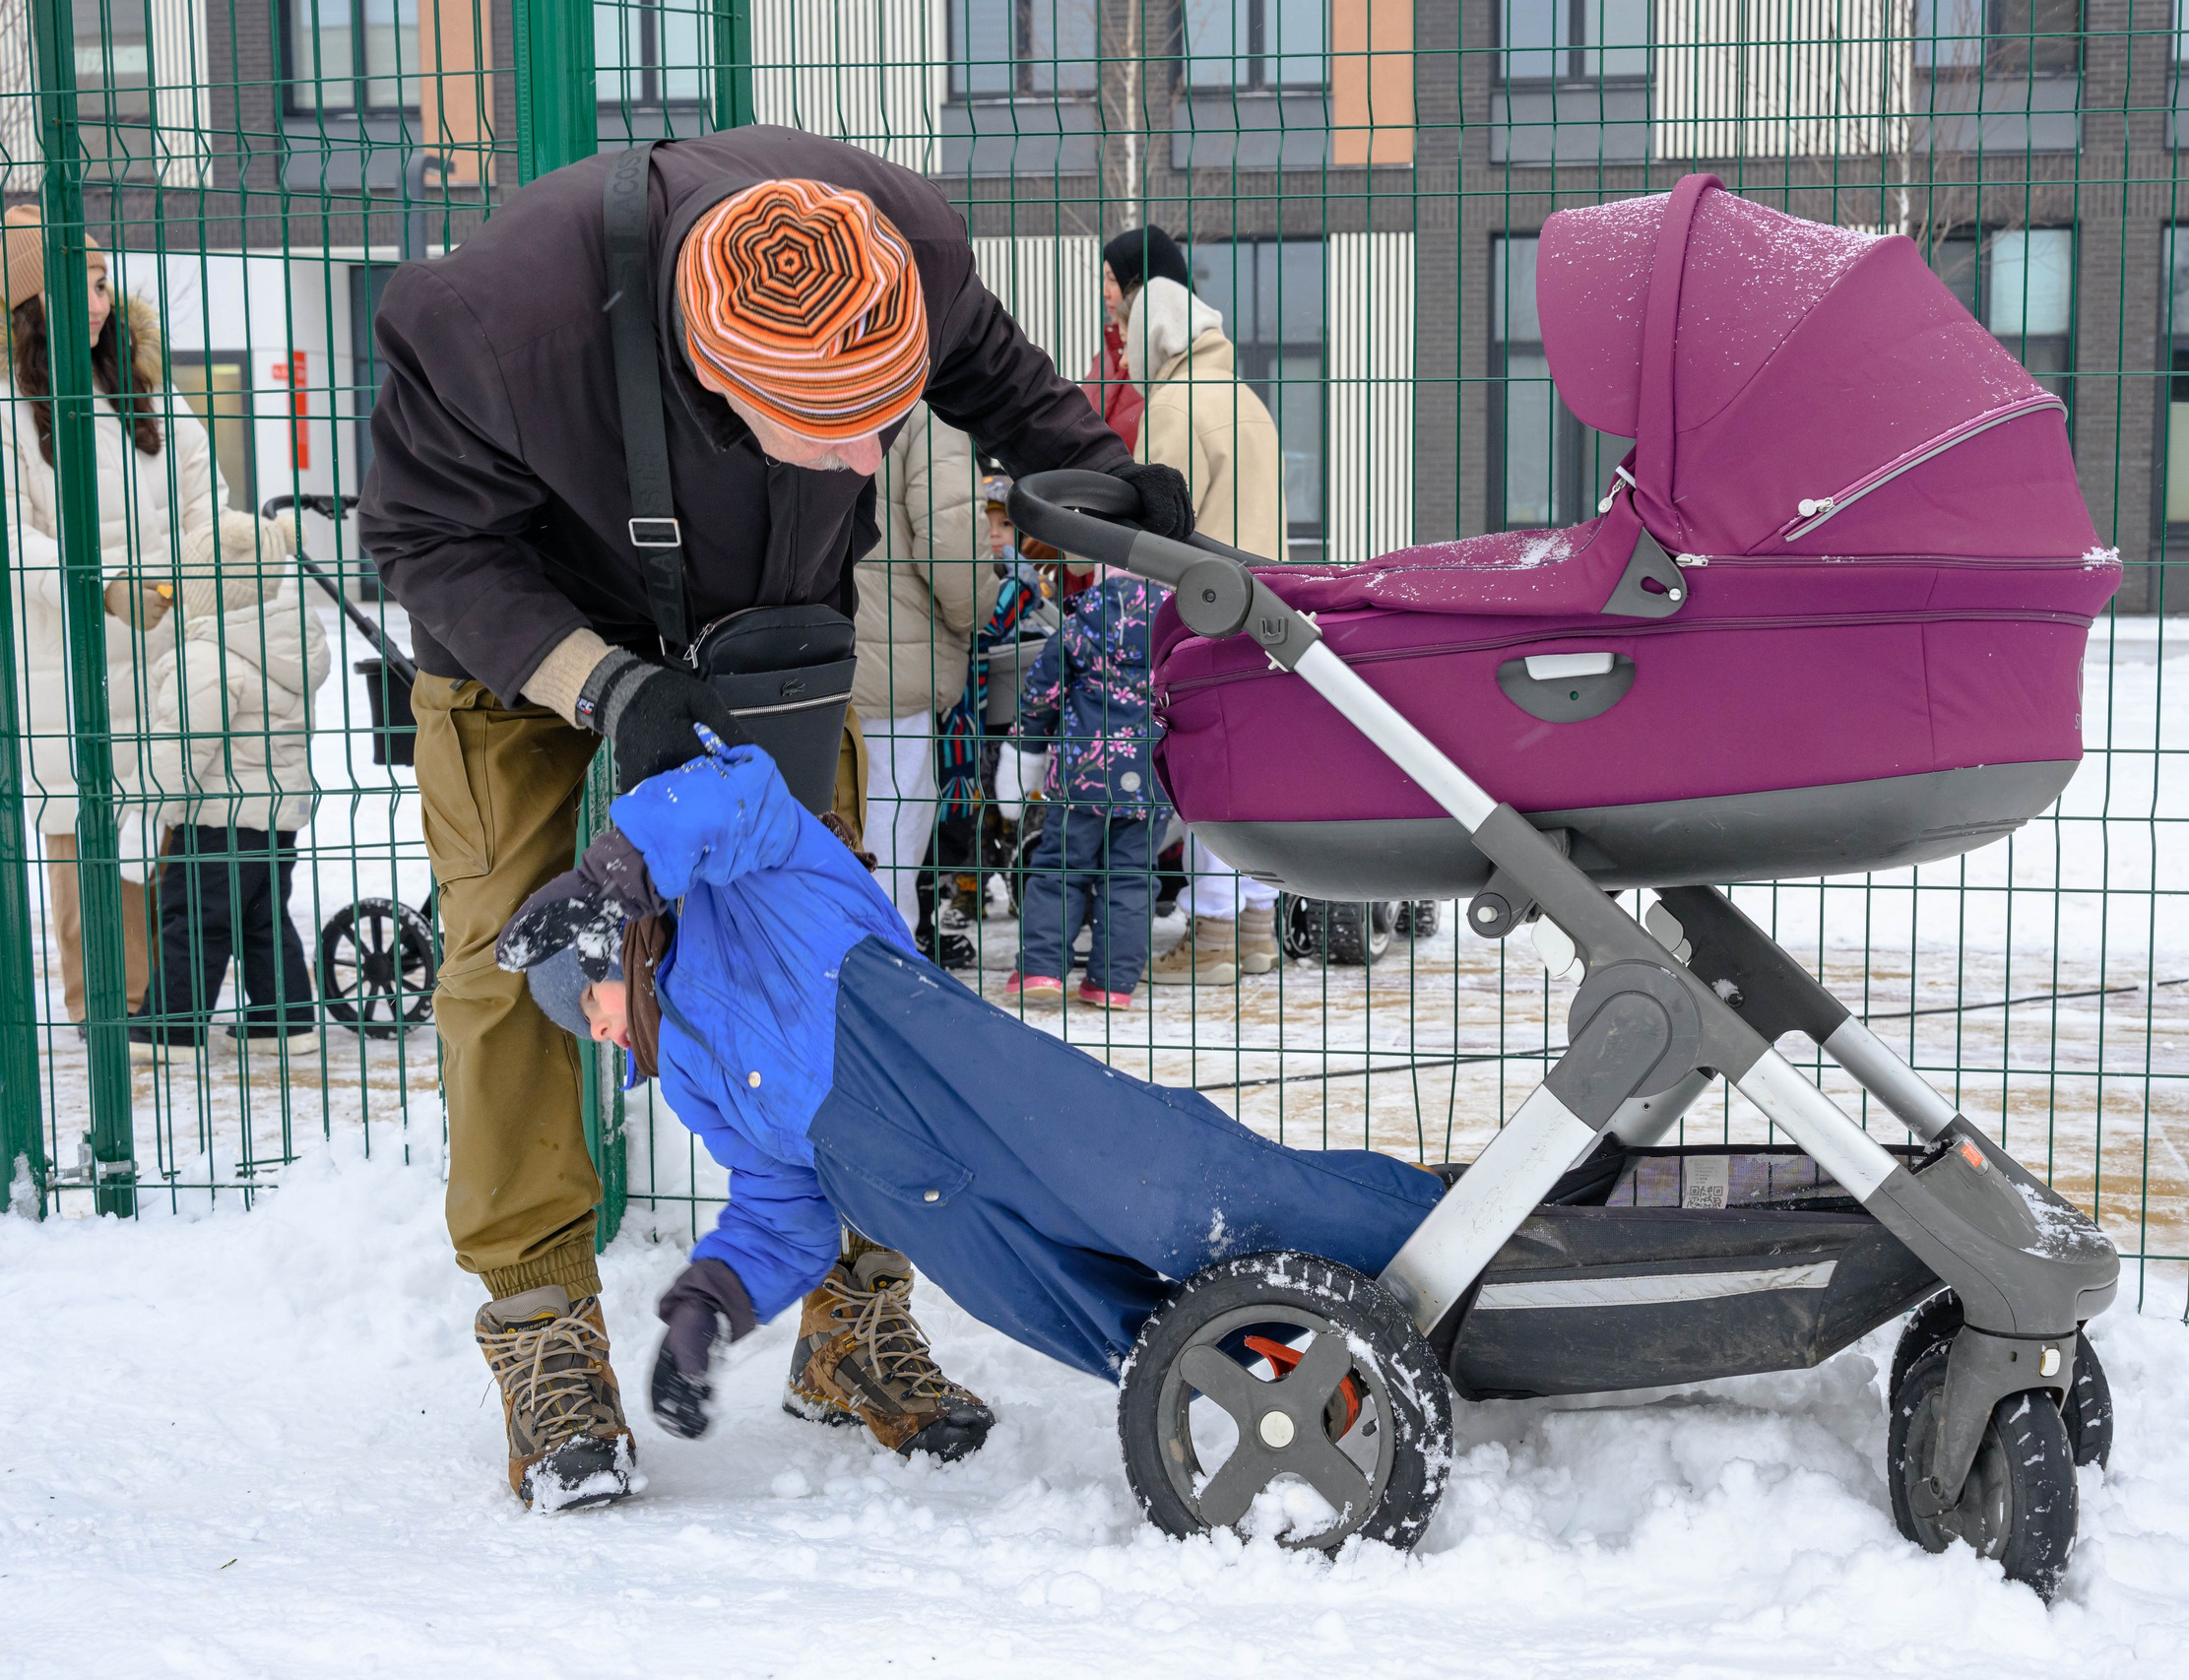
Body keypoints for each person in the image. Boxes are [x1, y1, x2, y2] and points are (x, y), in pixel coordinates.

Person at [358, 126, 1194, 1511]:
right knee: (517, 964)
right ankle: (542, 1330)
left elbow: (983, 368)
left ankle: (853, 1314)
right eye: (835, 430)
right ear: (712, 377)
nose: (872, 462)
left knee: (842, 959)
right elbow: (425, 540)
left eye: (884, 418)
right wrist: (602, 682)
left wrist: (1088, 469)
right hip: (526, 646)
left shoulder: (900, 247)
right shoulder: (492, 322)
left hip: (768, 644)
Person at [494, 734, 1443, 1450]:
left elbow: (741, 789)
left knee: (1177, 1193)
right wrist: (709, 1302)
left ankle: (1442, 1232)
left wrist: (612, 867)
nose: (602, 1031)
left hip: (972, 1091)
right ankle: (1321, 1377)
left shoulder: (756, 889)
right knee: (1113, 1325)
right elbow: (782, 1204)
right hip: (923, 1203)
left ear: (611, 939)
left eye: (590, 1002)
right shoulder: (689, 1072)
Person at [0, 205, 223, 1028]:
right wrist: (100, 587)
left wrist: (198, 578)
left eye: (100, 282)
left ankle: (169, 1008)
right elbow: (11, 541)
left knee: (167, 830)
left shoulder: (146, 396)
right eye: (75, 284)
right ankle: (111, 1019)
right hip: (74, 665)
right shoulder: (5, 413)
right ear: (30, 304)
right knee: (87, 842)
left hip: (166, 655)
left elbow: (206, 500)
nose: (97, 300)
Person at [1124, 272, 1288, 987]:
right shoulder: (1247, 400)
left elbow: (1158, 526)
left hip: (1199, 611)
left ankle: (1214, 933)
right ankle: (1257, 927)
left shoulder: (1176, 403)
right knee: (1250, 768)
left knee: (1202, 772)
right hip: (1263, 605)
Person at [130, 512, 330, 1061]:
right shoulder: (283, 647)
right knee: (262, 917)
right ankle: (284, 1023)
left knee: (195, 917)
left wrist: (152, 805)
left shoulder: (207, 658)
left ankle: (170, 1030)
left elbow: (182, 745)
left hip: (218, 816)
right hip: (275, 815)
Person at [851, 400, 988, 960]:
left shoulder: (790, 370)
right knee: (893, 811)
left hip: (790, 645)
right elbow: (952, 541)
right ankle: (886, 960)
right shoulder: (924, 404)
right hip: (892, 659)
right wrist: (973, 614)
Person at [1004, 558, 1169, 1009]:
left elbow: (1041, 695)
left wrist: (1024, 752)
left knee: (1060, 871)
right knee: (1132, 879)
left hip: (1082, 777)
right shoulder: (1178, 631)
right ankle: (1112, 984)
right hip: (1151, 782)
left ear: (1100, 575)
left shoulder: (1079, 627)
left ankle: (1041, 969)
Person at [1082, 226, 1188, 451]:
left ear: (1144, 289)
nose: (1104, 292)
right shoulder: (1105, 358)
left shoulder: (1177, 369)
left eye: (1113, 279)